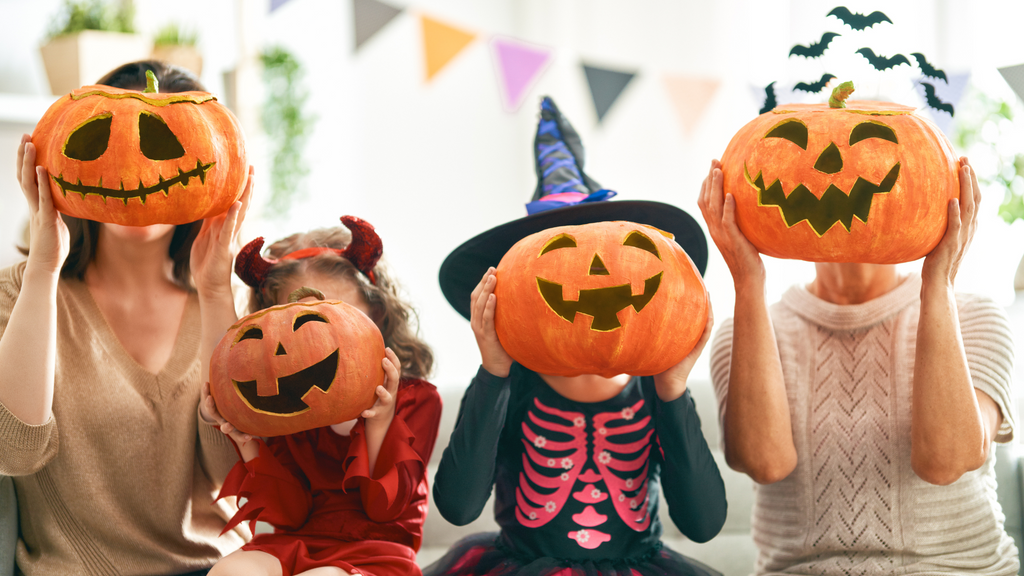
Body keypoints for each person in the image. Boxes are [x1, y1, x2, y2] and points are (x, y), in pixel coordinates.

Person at [425, 97, 727, 576]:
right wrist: (494, 371)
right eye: (558, 253)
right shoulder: (511, 383)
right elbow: (458, 507)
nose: (594, 274)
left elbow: (704, 523)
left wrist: (672, 390)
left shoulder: (654, 386)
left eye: (623, 250)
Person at [698, 157, 1020, 574]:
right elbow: (765, 463)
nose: (835, 176)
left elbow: (944, 461)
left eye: (866, 163)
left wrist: (937, 285)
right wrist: (747, 281)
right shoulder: (745, 329)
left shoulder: (975, 317)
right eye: (817, 164)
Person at [0, 60, 253, 576]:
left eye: (164, 145)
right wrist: (44, 268)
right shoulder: (16, 292)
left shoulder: (232, 303)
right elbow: (12, 451)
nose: (137, 170)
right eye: (104, 142)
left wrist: (213, 292)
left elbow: (239, 477)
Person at [197, 216, 442, 576]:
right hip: (296, 542)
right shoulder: (289, 405)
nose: (322, 341)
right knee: (230, 572)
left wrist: (379, 423)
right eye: (300, 325)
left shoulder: (416, 399)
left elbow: (384, 511)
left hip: (375, 552)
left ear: (375, 311)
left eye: (334, 315)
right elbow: (290, 514)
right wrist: (247, 440)